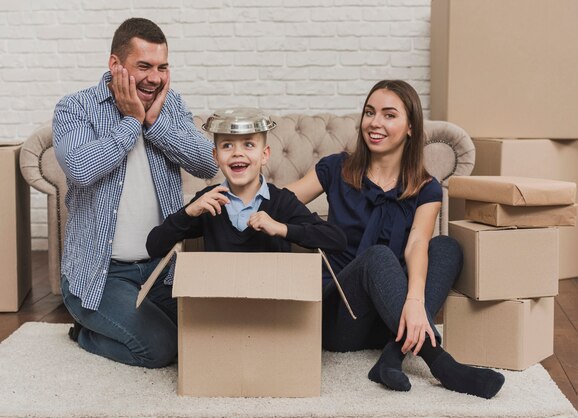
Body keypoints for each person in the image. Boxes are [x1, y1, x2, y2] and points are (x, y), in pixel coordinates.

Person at [286, 80, 505, 399]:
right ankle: (441, 363)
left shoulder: (426, 187)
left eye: (389, 115)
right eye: (370, 112)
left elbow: (418, 242)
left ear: (411, 127)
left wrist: (415, 301)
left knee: (446, 247)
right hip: (341, 319)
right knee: (377, 256)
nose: (375, 122)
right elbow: (281, 202)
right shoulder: (335, 168)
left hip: (392, 317)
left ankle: (393, 354)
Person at [52, 18, 218, 368]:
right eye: (143, 66)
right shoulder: (76, 108)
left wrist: (155, 125)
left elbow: (207, 164)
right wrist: (132, 121)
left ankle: (131, 322)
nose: (154, 78)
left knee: (212, 338)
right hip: (101, 275)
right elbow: (81, 170)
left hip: (162, 269)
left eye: (162, 67)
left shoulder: (169, 106)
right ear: (115, 65)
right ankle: (85, 333)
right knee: (161, 350)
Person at [146, 108, 347, 261]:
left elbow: (336, 240)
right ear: (215, 156)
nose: (237, 153)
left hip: (273, 305)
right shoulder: (209, 202)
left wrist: (281, 228)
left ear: (264, 155)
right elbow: (154, 246)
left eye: (249, 144)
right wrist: (188, 212)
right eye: (227, 146)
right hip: (219, 304)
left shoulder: (281, 202)